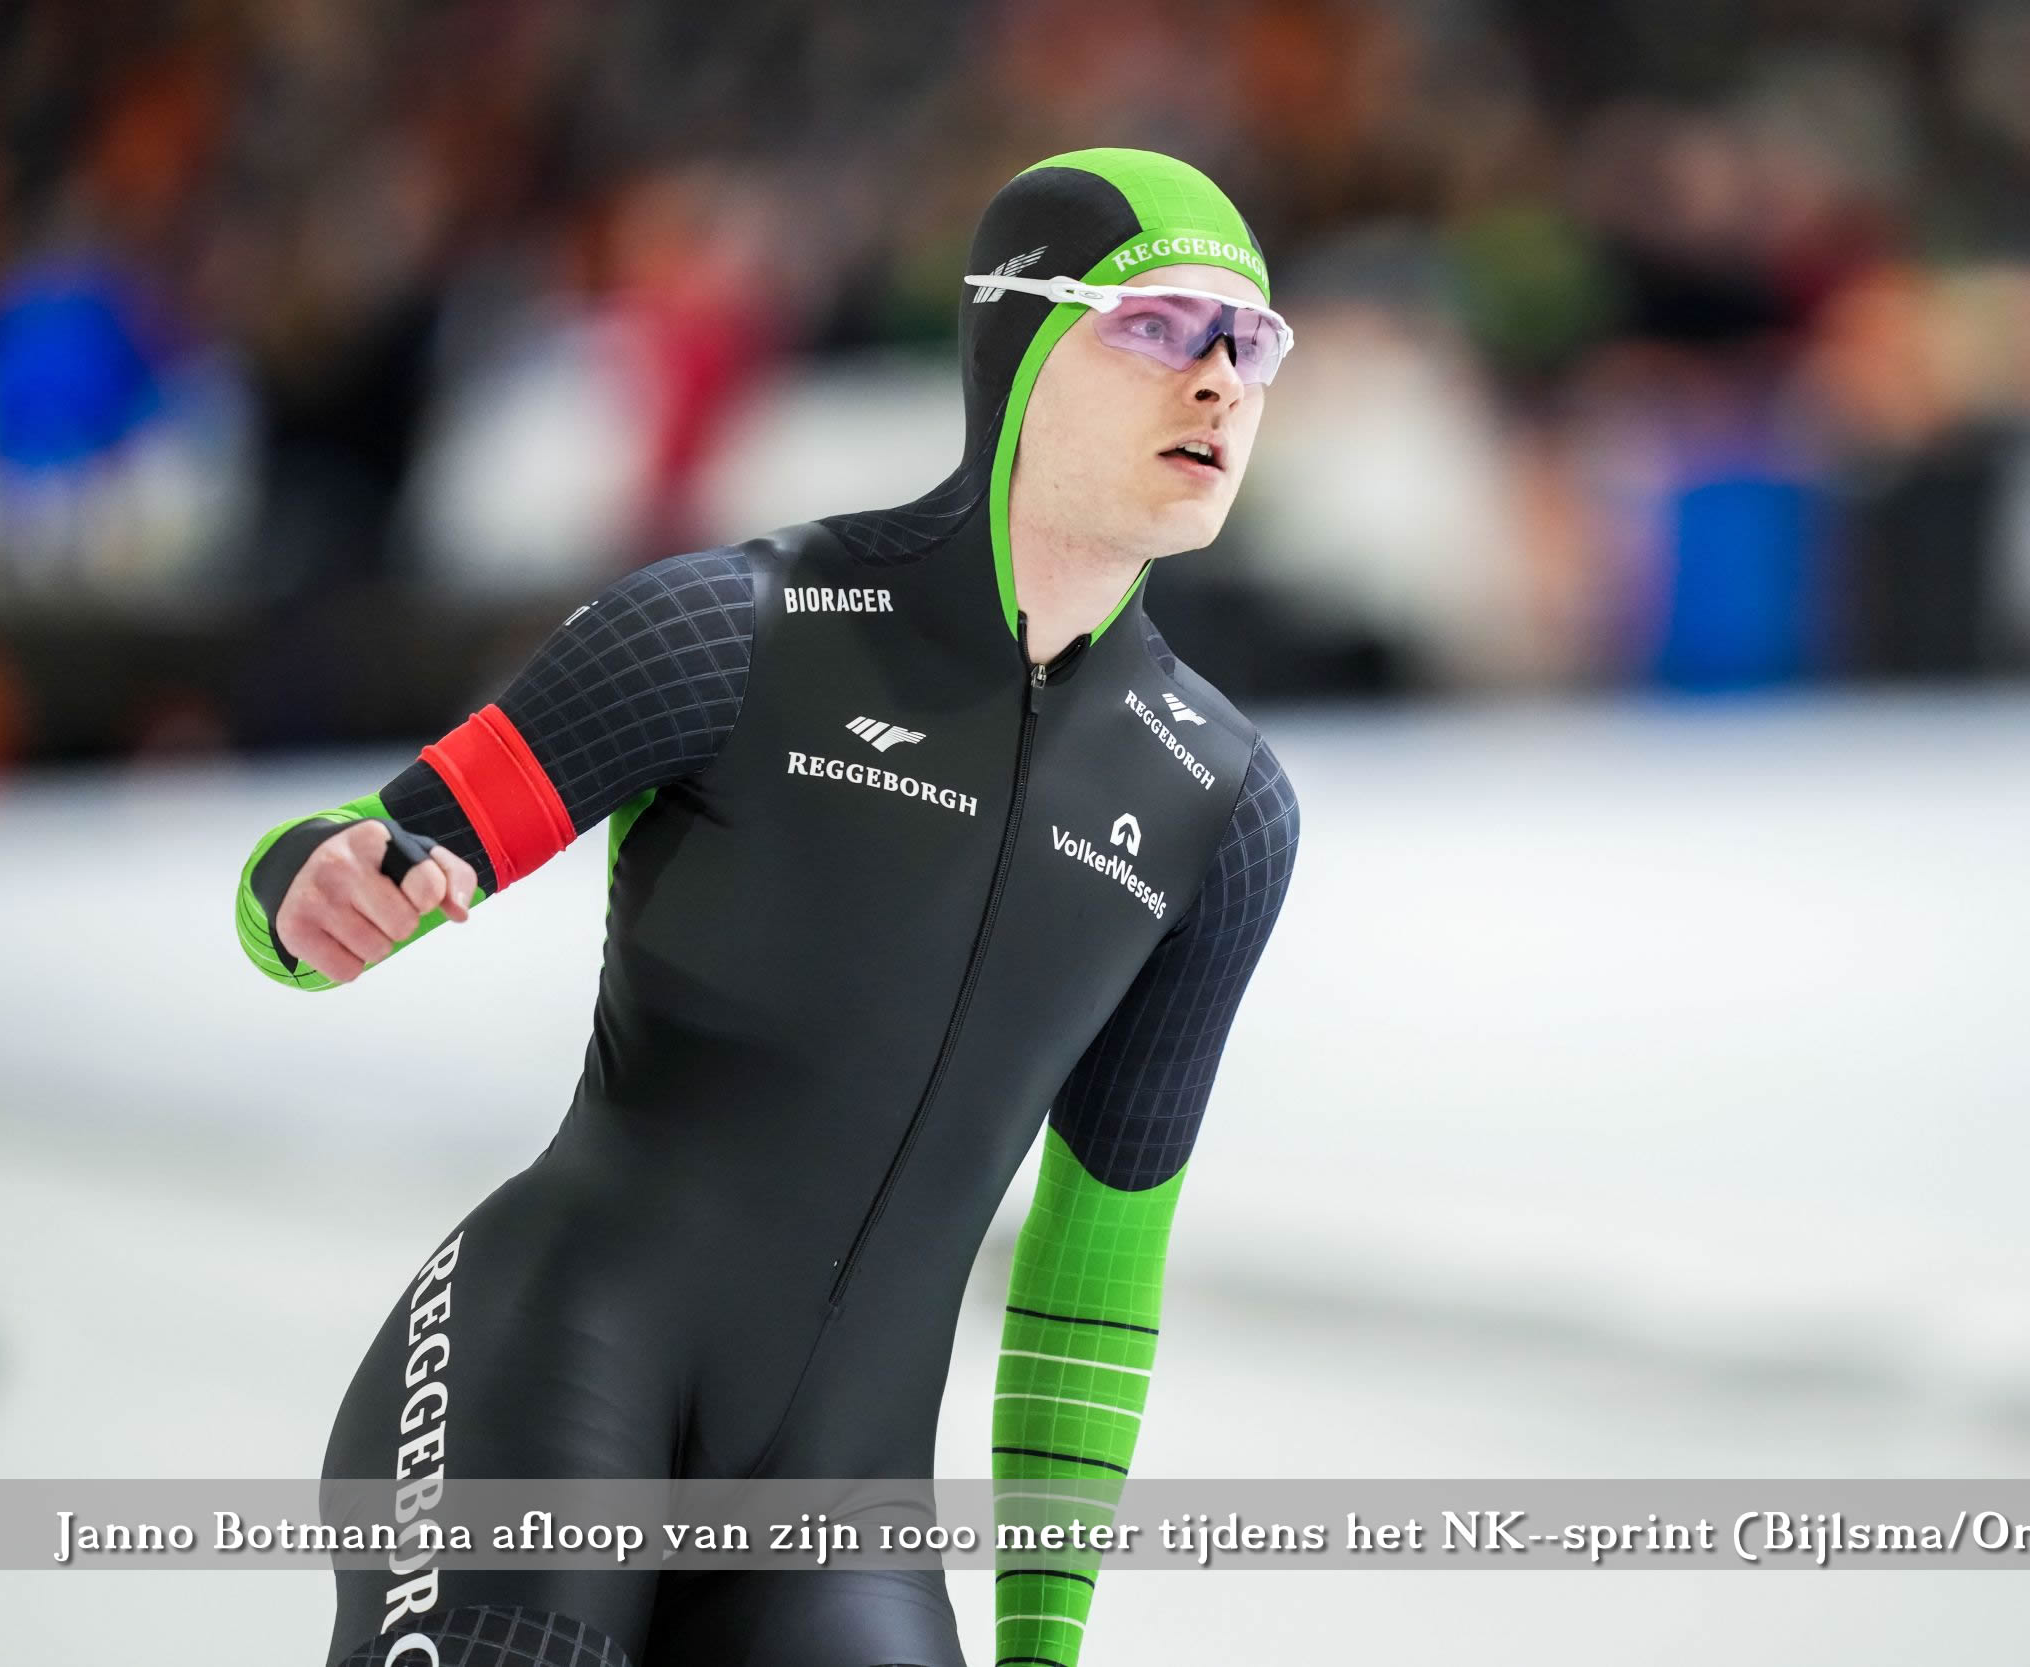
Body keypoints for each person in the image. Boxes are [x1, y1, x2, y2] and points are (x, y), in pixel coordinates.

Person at [233, 147, 1302, 1667]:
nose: (1218, 381)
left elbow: (1092, 1277)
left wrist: (1045, 1644)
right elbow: (343, 854)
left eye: (1251, 342)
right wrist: (313, 897)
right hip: (542, 1383)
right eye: (1160, 324)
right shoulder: (731, 632)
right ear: (1009, 342)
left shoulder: (1221, 808)